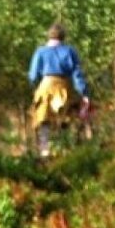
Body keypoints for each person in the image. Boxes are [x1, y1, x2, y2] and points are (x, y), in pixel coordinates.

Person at [28, 23, 92, 158]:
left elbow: (33, 75)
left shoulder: (40, 52)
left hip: (45, 86)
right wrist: (84, 92)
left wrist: (35, 86)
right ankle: (64, 148)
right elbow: (77, 74)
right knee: (65, 117)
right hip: (63, 86)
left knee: (43, 118)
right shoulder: (69, 51)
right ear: (63, 37)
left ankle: (45, 150)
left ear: (49, 36)